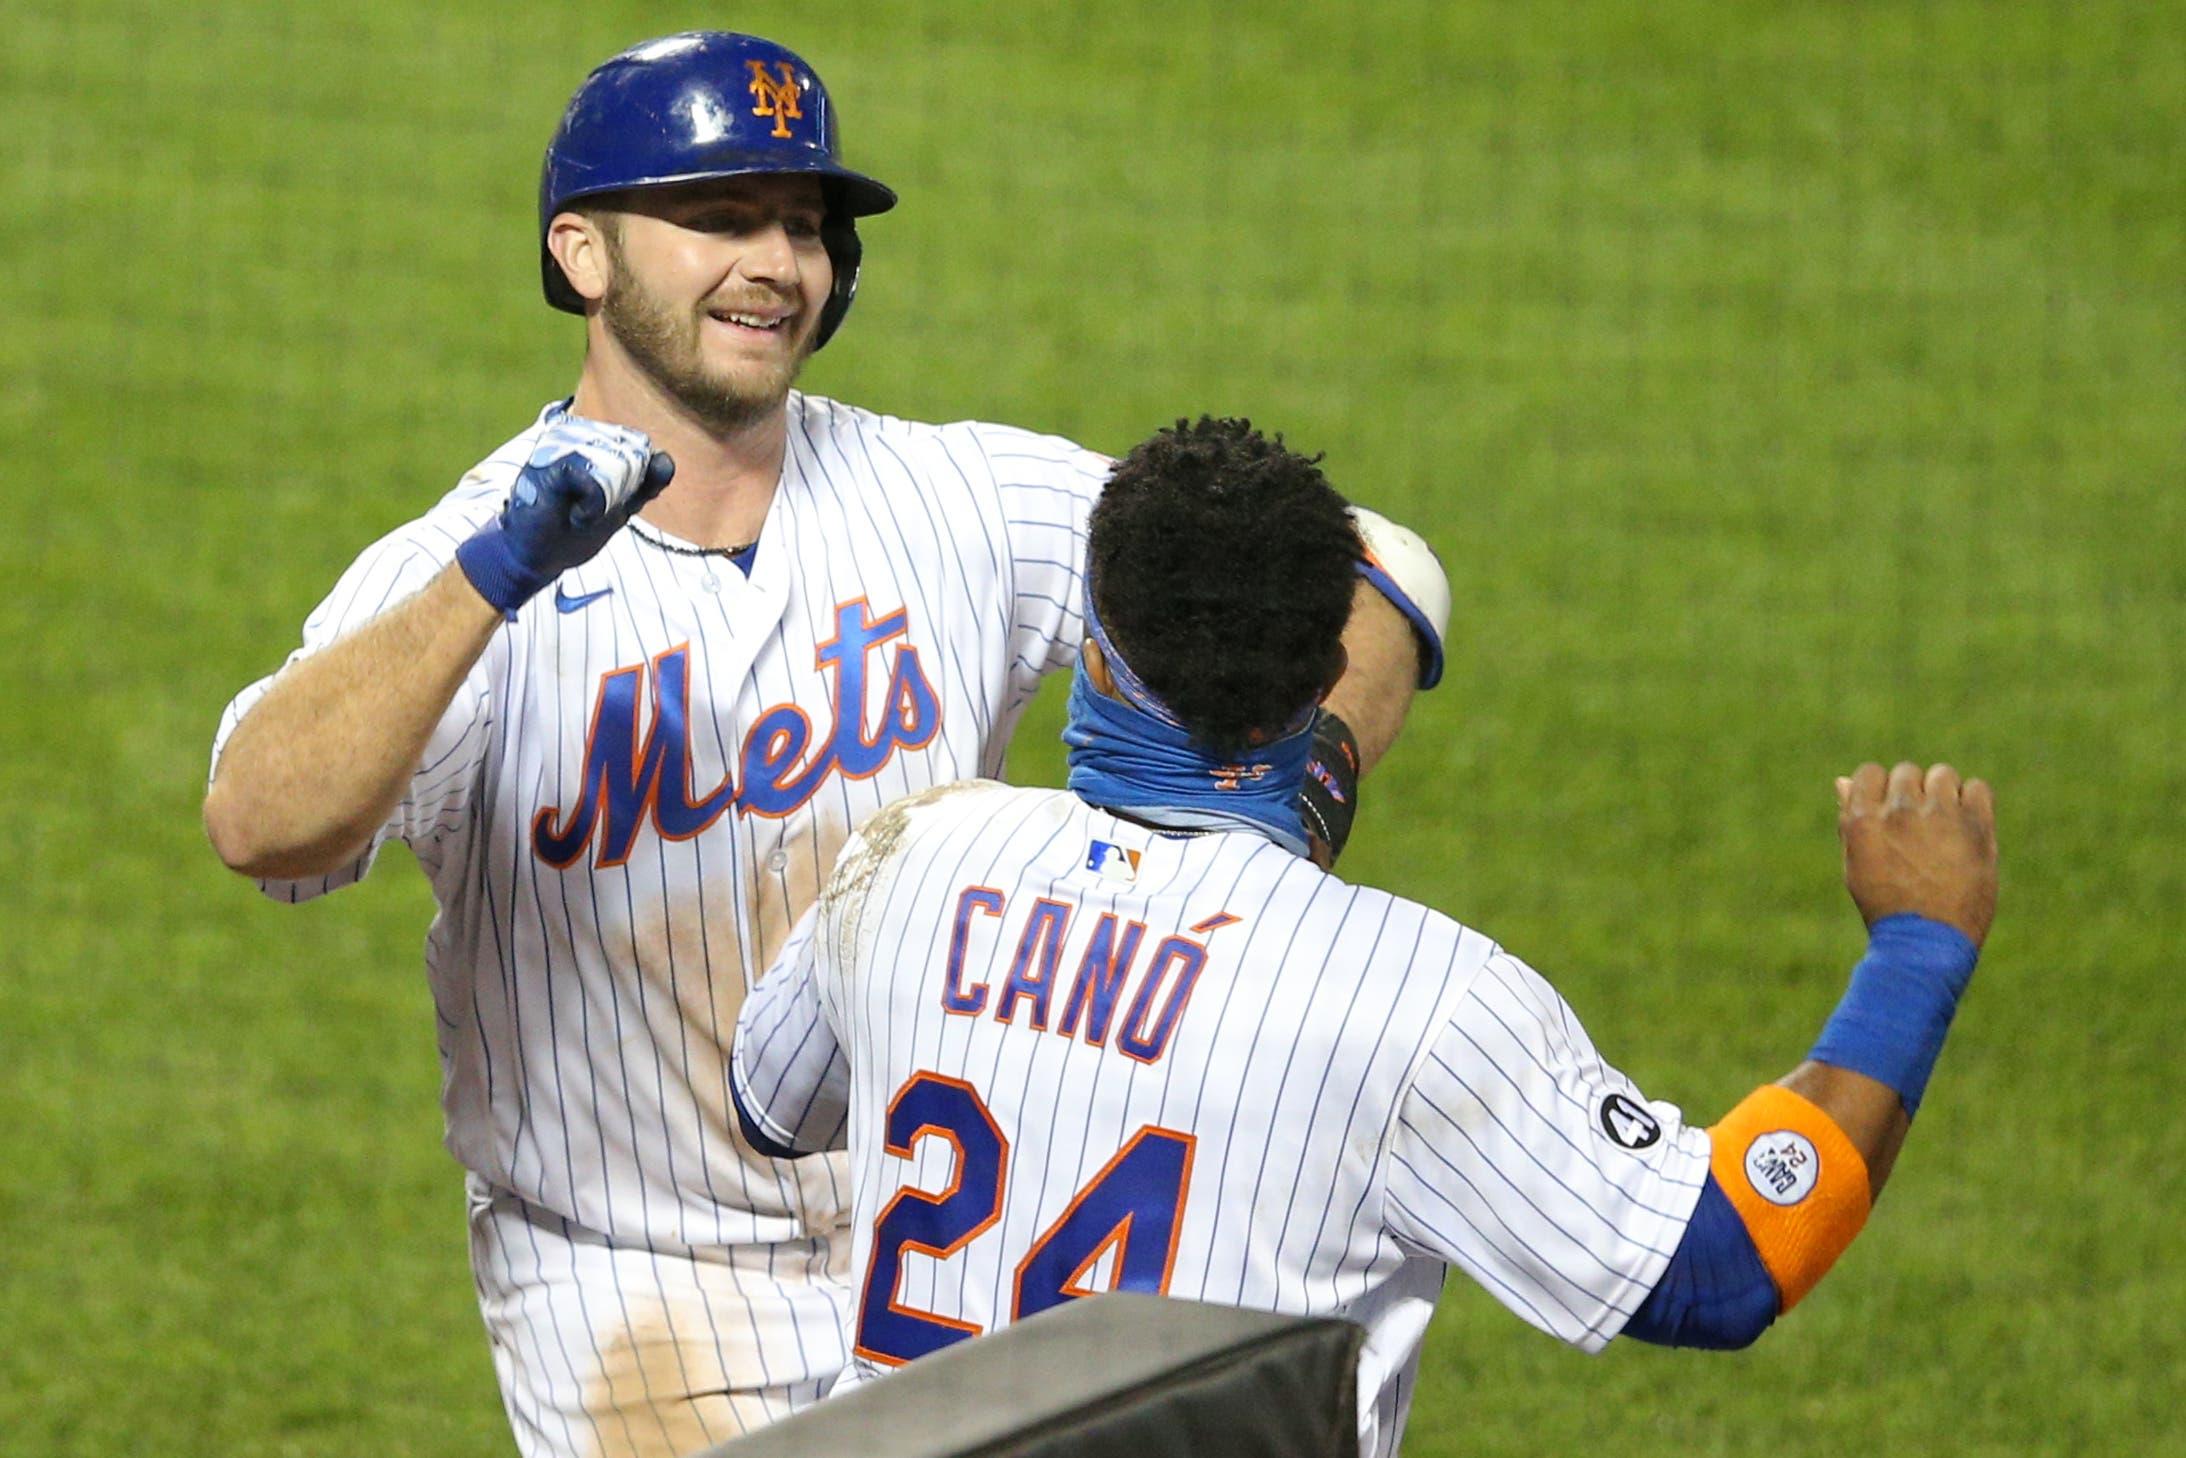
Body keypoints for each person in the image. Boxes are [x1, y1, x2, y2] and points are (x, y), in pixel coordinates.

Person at [201, 30, 1444, 1458]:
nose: (775, 263)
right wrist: (489, 580)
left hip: (956, 1258)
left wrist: (1272, 819)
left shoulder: (954, 496)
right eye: (718, 218)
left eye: (804, 226)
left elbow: (1368, 572)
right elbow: (260, 822)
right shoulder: (470, 567)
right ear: (582, 254)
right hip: (642, 1292)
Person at [729, 417, 1999, 1458]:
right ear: (1319, 681)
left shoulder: (908, 860)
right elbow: (1722, 1262)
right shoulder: (1424, 1004)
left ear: (1096, 662)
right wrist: (1917, 949)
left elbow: (773, 1102)